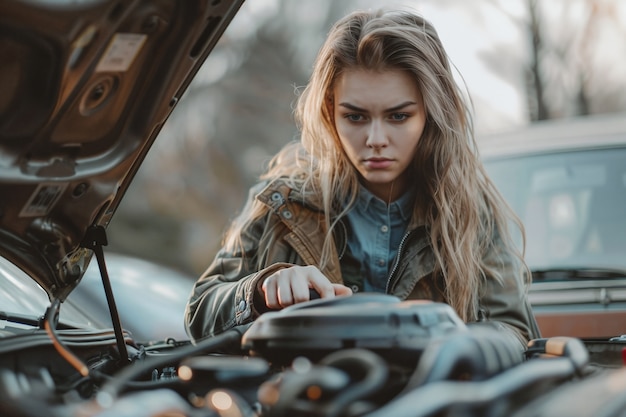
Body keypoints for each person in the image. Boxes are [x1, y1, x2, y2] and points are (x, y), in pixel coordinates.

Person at [184, 8, 540, 351]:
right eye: (355, 117)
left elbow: (514, 331)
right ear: (329, 111)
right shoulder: (282, 204)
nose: (376, 139)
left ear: (431, 114)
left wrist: (458, 345)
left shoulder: (468, 211)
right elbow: (199, 311)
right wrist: (259, 290)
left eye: (398, 116)